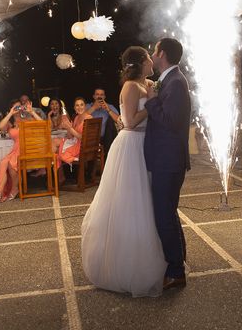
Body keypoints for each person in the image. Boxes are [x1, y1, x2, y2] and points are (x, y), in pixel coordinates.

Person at [81, 46, 167, 297]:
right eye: (149, 57)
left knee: (146, 202)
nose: (152, 60)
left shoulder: (148, 83)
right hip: (132, 145)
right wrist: (151, 102)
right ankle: (126, 266)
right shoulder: (130, 86)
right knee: (131, 202)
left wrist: (153, 95)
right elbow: (128, 121)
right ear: (141, 61)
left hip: (145, 143)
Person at [145, 38, 192, 290]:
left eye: (154, 51)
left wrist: (152, 100)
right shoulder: (171, 80)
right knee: (169, 212)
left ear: (162, 54)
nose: (152, 55)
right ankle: (179, 260)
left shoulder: (175, 83)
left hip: (168, 160)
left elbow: (170, 120)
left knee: (164, 215)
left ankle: (176, 272)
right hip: (166, 158)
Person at [0, 100, 43, 203]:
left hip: (28, 148)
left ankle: (14, 188)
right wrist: (10, 113)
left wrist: (32, 112)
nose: (18, 109)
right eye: (15, 107)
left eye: (19, 107)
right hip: (16, 149)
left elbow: (43, 125)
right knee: (4, 162)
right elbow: (0, 127)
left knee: (10, 162)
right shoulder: (10, 123)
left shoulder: (27, 119)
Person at [56, 97, 92, 172]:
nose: (79, 107)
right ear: (74, 108)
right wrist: (68, 127)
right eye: (77, 105)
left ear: (85, 107)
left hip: (83, 146)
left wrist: (70, 128)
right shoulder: (76, 118)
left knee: (58, 150)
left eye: (81, 105)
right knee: (54, 142)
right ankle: (59, 175)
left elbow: (83, 138)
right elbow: (70, 136)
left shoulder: (88, 118)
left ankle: (60, 174)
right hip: (75, 142)